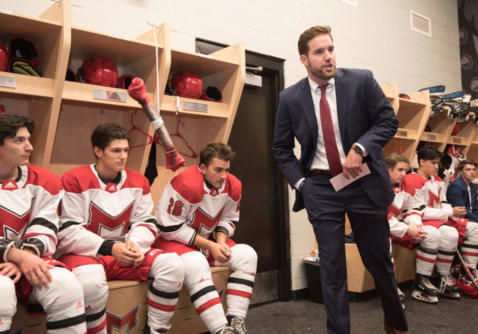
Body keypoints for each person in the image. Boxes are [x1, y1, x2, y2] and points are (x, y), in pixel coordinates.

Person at [272, 25, 407, 334]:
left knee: (379, 263)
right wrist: (302, 184)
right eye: (319, 52)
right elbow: (280, 148)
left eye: (330, 49)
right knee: (331, 269)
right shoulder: (290, 98)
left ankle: (397, 323)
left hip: (361, 180)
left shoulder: (361, 81)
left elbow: (388, 120)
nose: (328, 57)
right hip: (320, 186)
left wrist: (361, 148)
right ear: (304, 60)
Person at [56, 123, 184, 334]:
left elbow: (146, 222)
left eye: (125, 150)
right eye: (116, 150)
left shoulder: (139, 181)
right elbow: (67, 230)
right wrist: (109, 247)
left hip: (124, 252)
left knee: (172, 266)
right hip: (86, 253)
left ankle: (157, 329)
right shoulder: (74, 179)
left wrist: (135, 244)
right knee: (90, 283)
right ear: (98, 151)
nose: (123, 156)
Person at [153, 142, 257, 334]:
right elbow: (169, 228)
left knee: (247, 255)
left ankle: (235, 321)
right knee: (196, 261)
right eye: (218, 170)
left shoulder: (233, 185)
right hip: (171, 241)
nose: (223, 176)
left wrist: (220, 242)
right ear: (202, 168)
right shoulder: (185, 183)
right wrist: (210, 245)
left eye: (226, 170)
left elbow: (228, 219)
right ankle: (220, 329)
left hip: (205, 242)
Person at [0, 114, 86, 333]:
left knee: (65, 285)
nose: (29, 147)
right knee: (1, 289)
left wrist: (26, 256)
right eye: (19, 140)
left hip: (28, 257)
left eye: (28, 139)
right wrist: (16, 256)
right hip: (13, 260)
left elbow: (46, 227)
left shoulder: (45, 181)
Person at [402, 146, 478, 298]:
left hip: (439, 218)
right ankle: (422, 279)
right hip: (418, 218)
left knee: (472, 230)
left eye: (438, 163)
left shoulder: (438, 180)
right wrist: (449, 213)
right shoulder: (411, 179)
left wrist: (453, 213)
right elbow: (419, 211)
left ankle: (452, 274)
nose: (437, 166)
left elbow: (444, 202)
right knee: (433, 234)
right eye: (433, 163)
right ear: (421, 162)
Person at [386, 153, 442, 304]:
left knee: (431, 233)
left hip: (397, 227)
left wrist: (416, 225)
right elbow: (380, 217)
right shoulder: (376, 184)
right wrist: (406, 229)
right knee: (383, 238)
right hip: (374, 228)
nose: (404, 174)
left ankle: (422, 281)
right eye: (400, 170)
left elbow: (411, 208)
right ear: (388, 169)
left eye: (406, 170)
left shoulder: (405, 184)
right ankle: (390, 286)